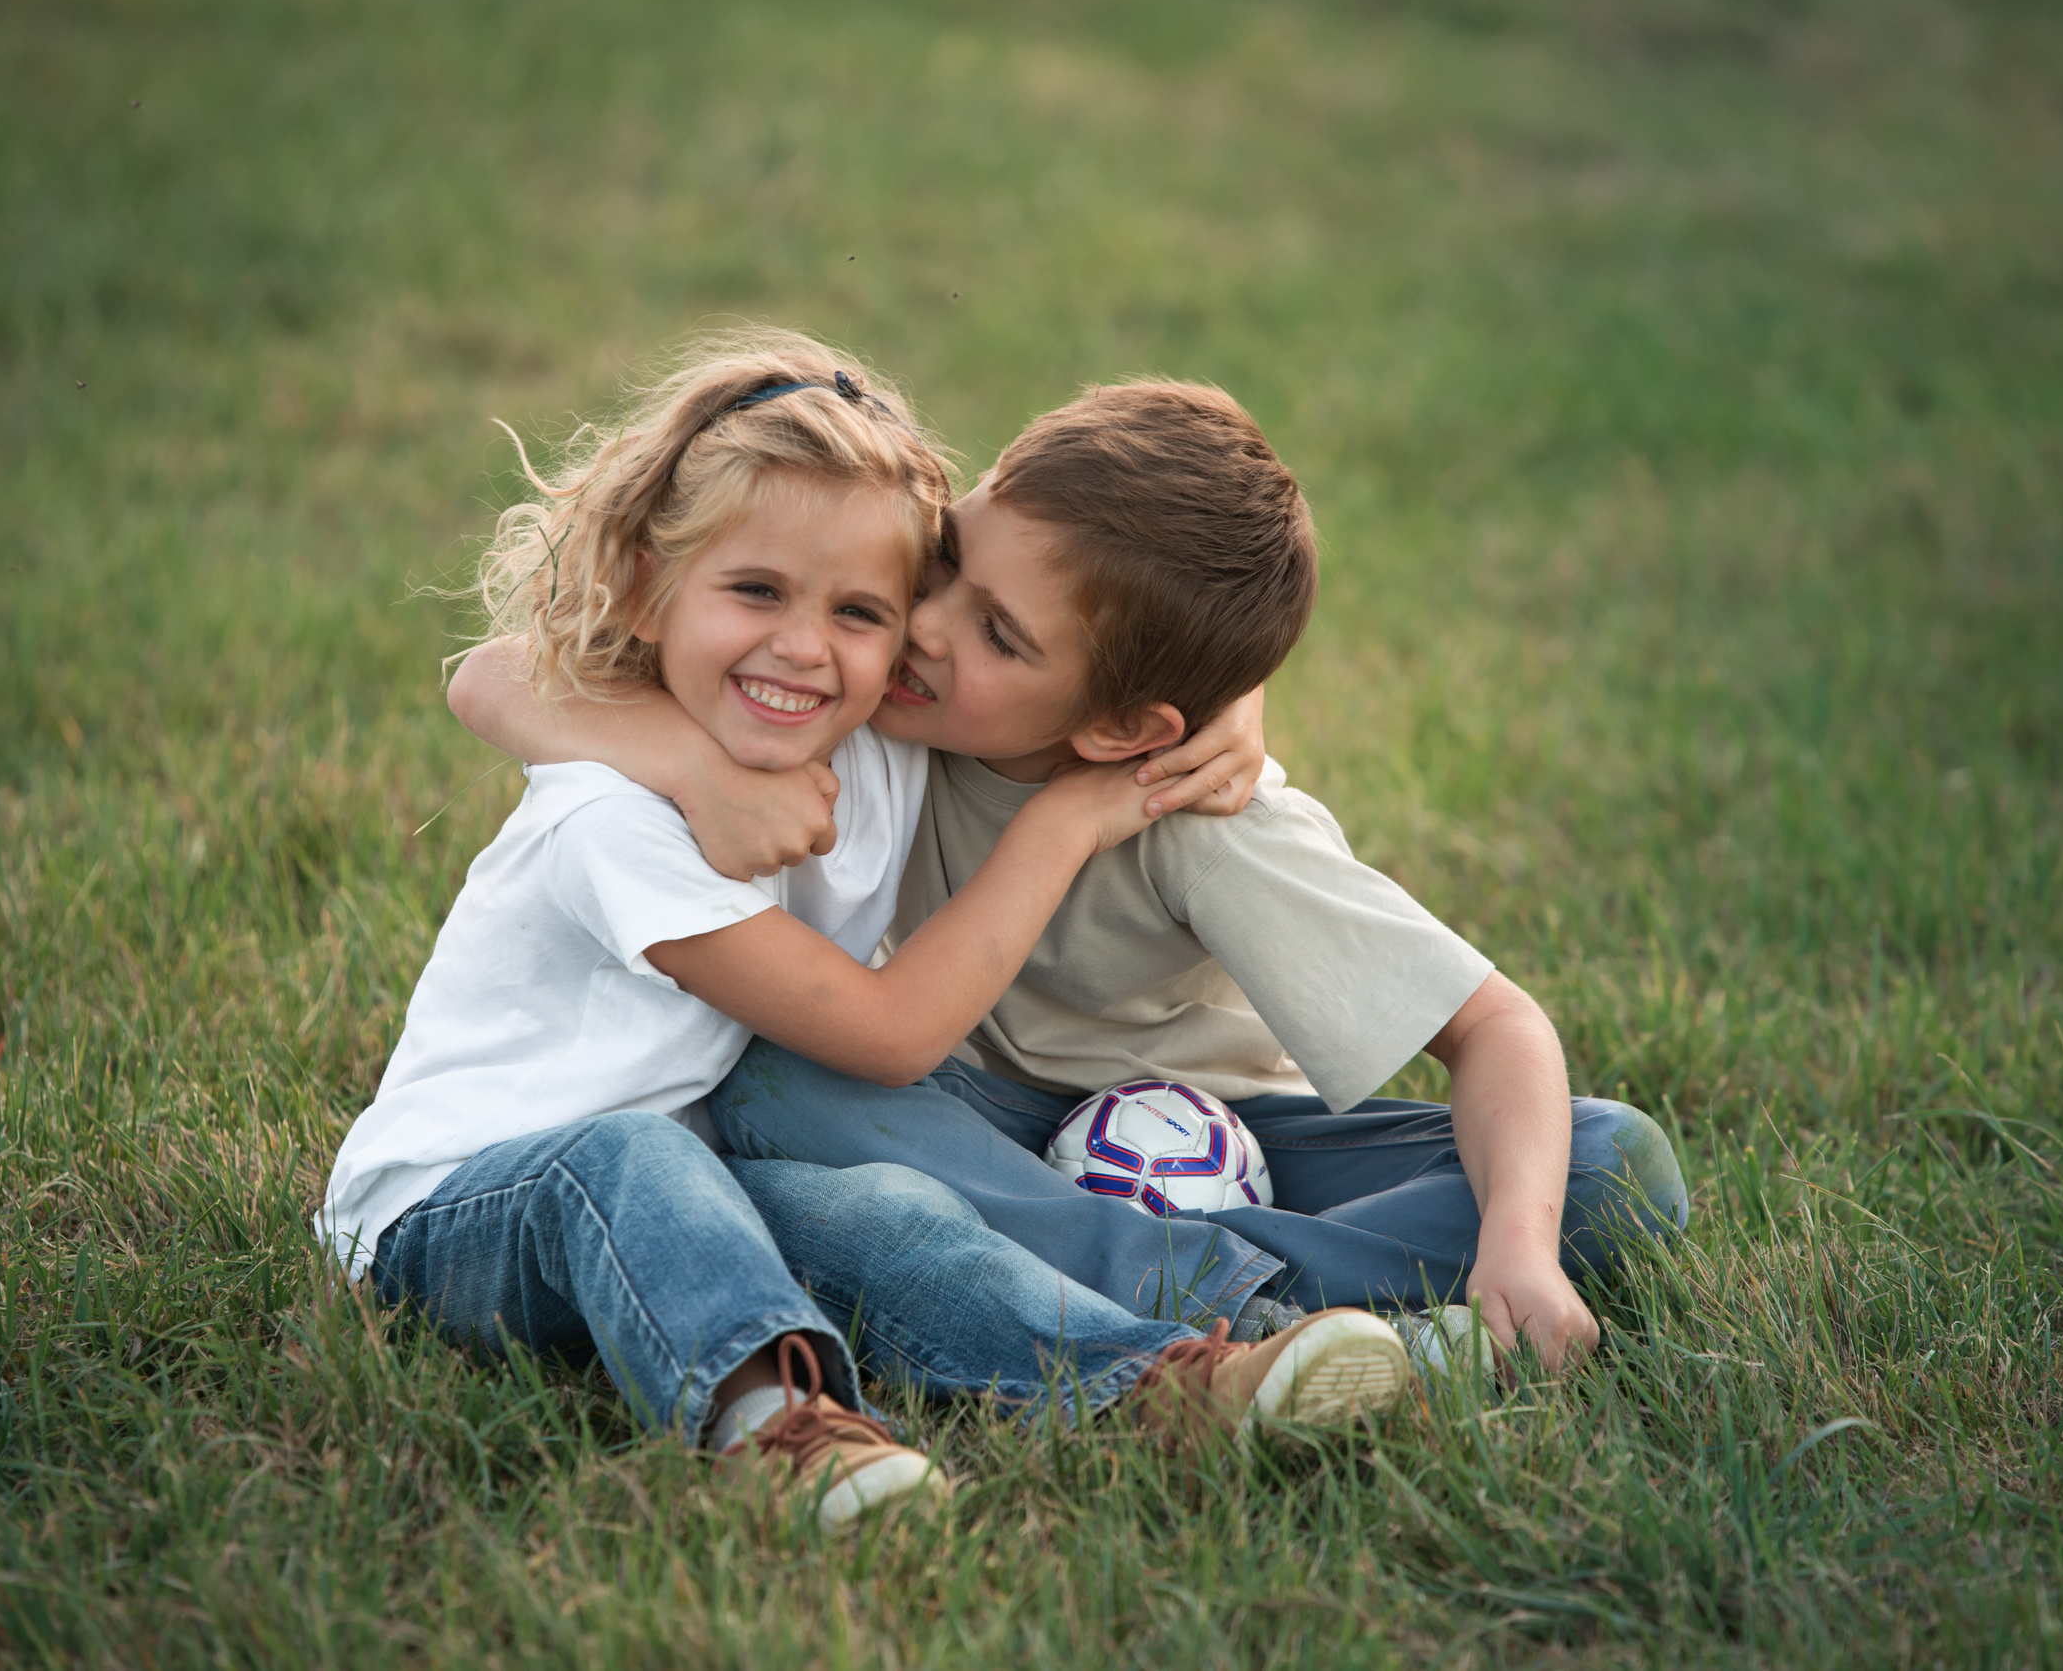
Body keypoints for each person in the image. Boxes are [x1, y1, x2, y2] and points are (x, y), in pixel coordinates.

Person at [319, 332, 1414, 1535]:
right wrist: (1068, 817)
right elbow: (889, 1037)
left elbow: (1111, 625)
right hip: (464, 1211)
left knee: (880, 1215)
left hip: (705, 1185)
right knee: (628, 1159)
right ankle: (777, 1432)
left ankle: (1161, 1385)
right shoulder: (606, 821)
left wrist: (1232, 698)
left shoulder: (875, 729)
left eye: (859, 610)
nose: (804, 647)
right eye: (754, 592)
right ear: (644, 584)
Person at [449, 378, 1690, 1373]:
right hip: (971, 1117)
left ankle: (1193, 1287)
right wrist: (689, 761)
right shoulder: (883, 681)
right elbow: (491, 676)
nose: (922, 625)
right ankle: (1247, 1312)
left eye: (997, 633)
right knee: (770, 1075)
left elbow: (1497, 1028)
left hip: (1238, 1146)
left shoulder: (1206, 814)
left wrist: (1518, 1245)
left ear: (1125, 729)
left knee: (1609, 1169)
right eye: (946, 566)